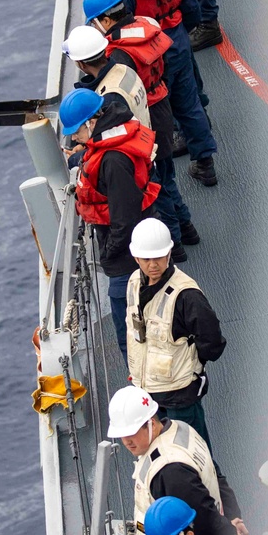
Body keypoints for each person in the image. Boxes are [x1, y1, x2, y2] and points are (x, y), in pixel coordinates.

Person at [88, 0, 218, 186]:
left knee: (154, 104)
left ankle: (160, 169)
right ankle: (205, 163)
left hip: (147, 51)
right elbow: (191, 5)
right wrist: (181, 32)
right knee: (189, 102)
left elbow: (119, 22)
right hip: (177, 37)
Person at [83, 0, 200, 250]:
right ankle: (187, 229)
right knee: (167, 178)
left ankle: (176, 244)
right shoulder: (147, 26)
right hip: (160, 108)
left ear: (106, 20)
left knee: (157, 189)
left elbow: (119, 105)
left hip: (147, 122)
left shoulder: (119, 55)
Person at [58, 88, 159, 358]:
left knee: (131, 335)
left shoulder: (114, 161)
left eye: (77, 131)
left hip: (127, 258)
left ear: (92, 122)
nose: (75, 137)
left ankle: (146, 392)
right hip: (132, 248)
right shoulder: (113, 133)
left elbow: (124, 221)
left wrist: (109, 252)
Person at [105, 384, 252, 535]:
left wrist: (230, 534)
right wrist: (233, 517)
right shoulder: (181, 429)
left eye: (132, 433)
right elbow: (214, 473)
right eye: (122, 435)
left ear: (151, 423)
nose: (126, 442)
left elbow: (202, 518)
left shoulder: (170, 470)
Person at [125, 216, 226, 444]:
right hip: (147, 395)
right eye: (146, 258)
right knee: (159, 450)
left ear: (169, 254)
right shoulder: (133, 283)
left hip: (180, 395)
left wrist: (190, 364)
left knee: (193, 451)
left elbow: (213, 342)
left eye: (159, 257)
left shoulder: (187, 295)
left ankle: (214, 479)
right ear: (136, 257)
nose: (153, 265)